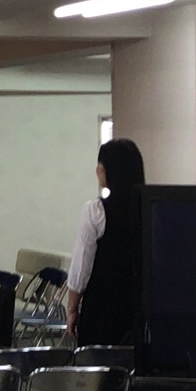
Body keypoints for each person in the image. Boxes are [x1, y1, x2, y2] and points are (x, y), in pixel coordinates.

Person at [66, 136, 146, 350]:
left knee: (98, 367)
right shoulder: (150, 209)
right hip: (139, 311)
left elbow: (81, 267)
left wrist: (72, 307)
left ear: (108, 171)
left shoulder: (95, 211)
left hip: (102, 311)